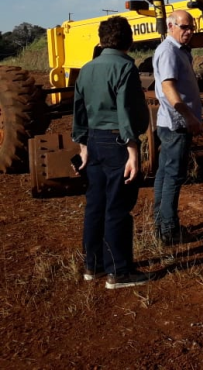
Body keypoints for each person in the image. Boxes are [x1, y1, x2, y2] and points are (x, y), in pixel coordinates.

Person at [72, 16, 150, 289]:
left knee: (95, 205)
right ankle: (119, 272)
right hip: (117, 142)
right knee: (117, 207)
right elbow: (125, 111)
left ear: (101, 40)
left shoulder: (87, 69)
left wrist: (83, 147)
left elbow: (78, 111)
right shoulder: (125, 67)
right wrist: (133, 152)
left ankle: (93, 266)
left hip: (93, 142)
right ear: (129, 39)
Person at [152, 9, 203, 245]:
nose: (189, 31)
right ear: (170, 26)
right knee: (173, 176)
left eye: (191, 27)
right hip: (176, 124)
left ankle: (160, 225)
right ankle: (169, 231)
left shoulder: (179, 51)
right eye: (184, 27)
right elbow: (168, 87)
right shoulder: (169, 51)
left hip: (171, 122)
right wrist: (189, 117)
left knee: (165, 174)